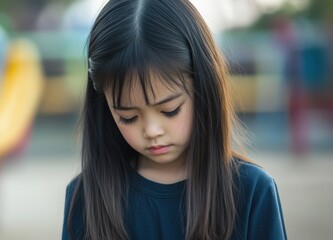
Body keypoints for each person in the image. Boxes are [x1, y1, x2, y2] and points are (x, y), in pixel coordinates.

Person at [62, 0, 287, 239]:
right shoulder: (86, 197)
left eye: (169, 110)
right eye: (128, 117)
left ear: (203, 87)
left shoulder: (252, 191)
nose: (151, 130)